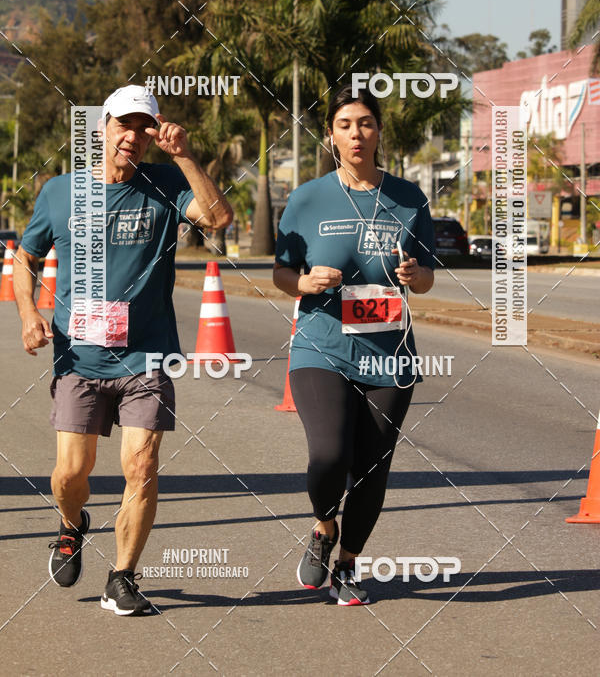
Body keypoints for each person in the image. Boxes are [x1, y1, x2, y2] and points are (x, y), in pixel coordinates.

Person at [13, 85, 233, 615]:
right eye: (122, 125)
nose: (131, 137)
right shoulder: (60, 191)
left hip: (146, 356)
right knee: (71, 473)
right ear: (101, 128)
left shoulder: (166, 183)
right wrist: (28, 314)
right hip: (79, 358)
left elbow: (218, 218)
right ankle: (71, 525)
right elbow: (25, 256)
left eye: (143, 128)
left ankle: (124, 575)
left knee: (141, 464)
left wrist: (184, 157)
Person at [273, 84, 435, 606]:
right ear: (331, 136)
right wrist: (301, 284)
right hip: (321, 347)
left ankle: (348, 566)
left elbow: (428, 278)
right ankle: (323, 527)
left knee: (371, 466)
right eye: (345, 125)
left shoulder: (409, 199)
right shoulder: (308, 198)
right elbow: (281, 270)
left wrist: (415, 274)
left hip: (389, 354)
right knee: (328, 453)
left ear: (378, 130)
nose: (356, 133)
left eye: (365, 122)